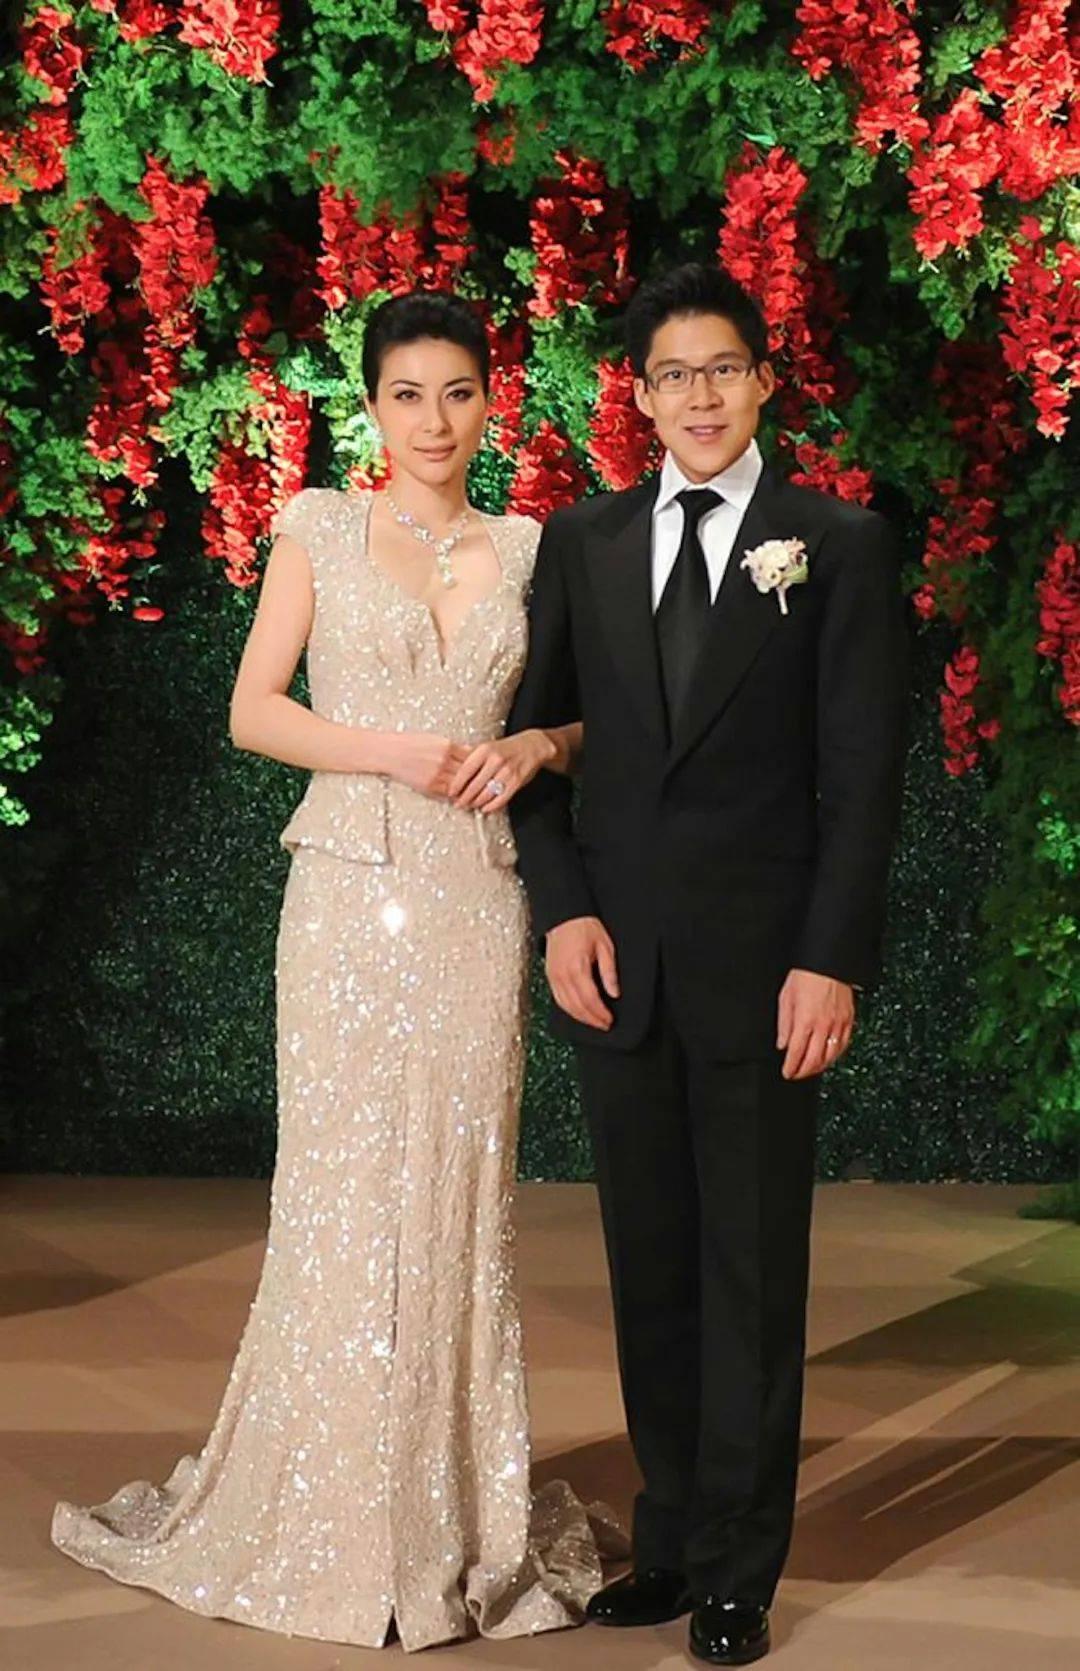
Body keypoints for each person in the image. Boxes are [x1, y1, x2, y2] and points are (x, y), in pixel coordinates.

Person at [51, 290, 618, 1651]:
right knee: (342, 1195)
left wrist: (537, 748)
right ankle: (327, 1510)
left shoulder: (533, 547)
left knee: (461, 1196)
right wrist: (393, 751)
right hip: (349, 897)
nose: (435, 420)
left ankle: (450, 1517)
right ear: (371, 408)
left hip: (475, 899)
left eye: (459, 392)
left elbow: (594, 720)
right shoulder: (316, 523)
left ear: (492, 403)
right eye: (408, 395)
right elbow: (254, 710)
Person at [507, 263, 908, 1666]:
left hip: (763, 975)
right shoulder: (585, 541)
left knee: (749, 1279)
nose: (698, 395)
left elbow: (863, 781)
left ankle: (741, 1565)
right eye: (673, 374)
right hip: (617, 971)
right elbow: (537, 749)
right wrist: (562, 914)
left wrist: (829, 960)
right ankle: (669, 1539)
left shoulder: (836, 543)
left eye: (722, 368)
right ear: (639, 394)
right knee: (652, 1271)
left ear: (764, 382)